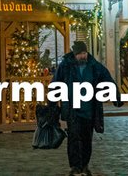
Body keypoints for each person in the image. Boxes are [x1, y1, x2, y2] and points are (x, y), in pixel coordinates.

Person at [52, 40, 121, 176]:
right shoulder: (66, 66)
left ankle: (85, 165)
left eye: (84, 53)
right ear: (74, 54)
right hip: (72, 109)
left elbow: (107, 80)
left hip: (89, 110)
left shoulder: (94, 66)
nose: (83, 56)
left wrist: (116, 97)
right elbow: (55, 83)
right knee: (73, 138)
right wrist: (52, 104)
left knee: (86, 139)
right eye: (80, 54)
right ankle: (75, 166)